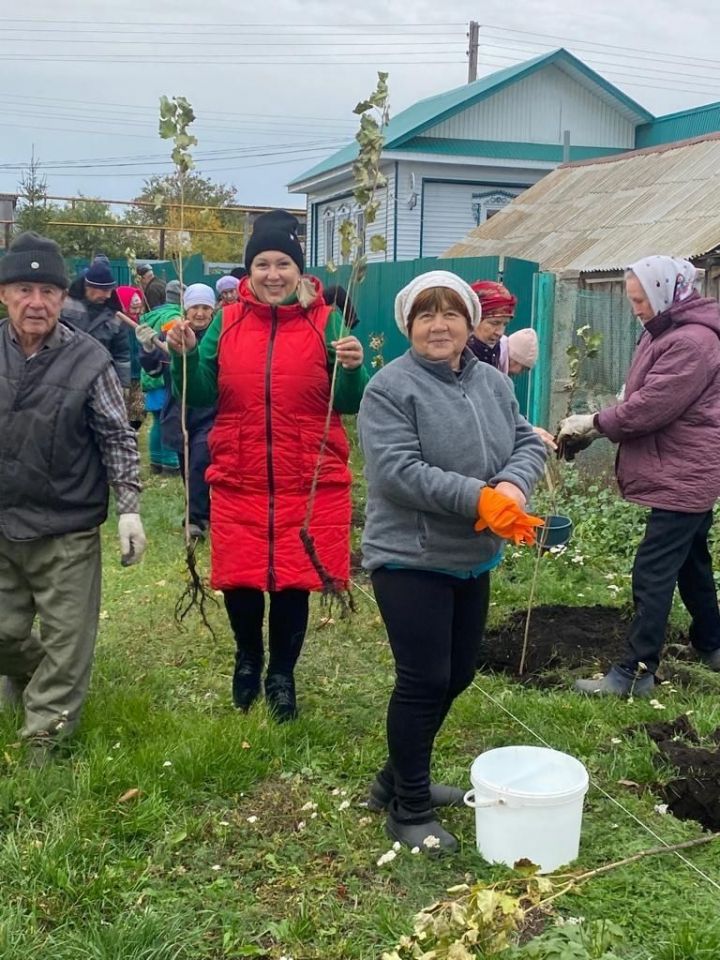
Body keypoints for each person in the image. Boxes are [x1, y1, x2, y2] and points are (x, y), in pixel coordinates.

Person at [357, 270, 545, 852]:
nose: (439, 326)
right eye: (425, 315)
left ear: (469, 322)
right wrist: (478, 497)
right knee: (423, 680)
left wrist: (512, 488)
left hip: (471, 555)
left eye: (451, 314)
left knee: (459, 673)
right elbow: (398, 472)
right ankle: (408, 808)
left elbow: (528, 441)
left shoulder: (492, 381)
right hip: (410, 556)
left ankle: (395, 778)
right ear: (409, 324)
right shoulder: (389, 388)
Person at [165, 210, 369, 721]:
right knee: (240, 578)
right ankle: (247, 658)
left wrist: (352, 367)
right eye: (262, 264)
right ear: (249, 271)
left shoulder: (327, 319)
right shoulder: (227, 323)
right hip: (241, 472)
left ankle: (282, 674)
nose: (273, 274)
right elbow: (203, 391)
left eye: (283, 264)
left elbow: (345, 400)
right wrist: (186, 357)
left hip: (309, 473)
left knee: (294, 581)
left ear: (299, 270)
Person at [0, 232, 146, 758]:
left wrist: (129, 509)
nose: (35, 302)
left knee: (67, 641)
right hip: (2, 519)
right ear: (4, 294)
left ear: (64, 298)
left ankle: (45, 735)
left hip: (66, 524)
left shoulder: (89, 360)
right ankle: (30, 676)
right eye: (23, 289)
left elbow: (115, 434)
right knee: (3, 634)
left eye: (48, 291)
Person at [558, 256, 720, 696]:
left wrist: (594, 423)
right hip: (683, 466)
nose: (636, 308)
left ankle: (636, 672)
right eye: (632, 300)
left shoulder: (692, 343)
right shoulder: (665, 331)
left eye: (641, 299)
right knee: (691, 562)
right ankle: (713, 644)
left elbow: (650, 408)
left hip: (684, 471)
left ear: (668, 292)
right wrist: (601, 424)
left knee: (653, 570)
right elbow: (640, 396)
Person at [137, 284, 217, 538]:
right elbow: (153, 371)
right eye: (195, 307)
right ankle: (201, 510)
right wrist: (149, 348)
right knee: (187, 465)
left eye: (206, 308)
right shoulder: (172, 334)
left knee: (200, 462)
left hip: (209, 413)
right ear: (186, 309)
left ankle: (196, 519)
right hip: (179, 411)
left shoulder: (217, 338)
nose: (200, 313)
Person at [61, 261, 131, 388]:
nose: (108, 295)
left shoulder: (116, 316)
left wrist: (123, 385)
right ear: (89, 287)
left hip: (99, 382)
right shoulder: (65, 304)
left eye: (110, 290)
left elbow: (122, 354)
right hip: (65, 377)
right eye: (104, 290)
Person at [139, 280, 183, 475]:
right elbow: (170, 345)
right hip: (163, 373)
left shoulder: (153, 314)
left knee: (158, 419)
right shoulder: (174, 317)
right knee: (168, 418)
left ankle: (156, 460)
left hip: (150, 372)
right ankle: (170, 462)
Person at [467, 279, 516, 371]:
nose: (500, 332)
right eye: (495, 323)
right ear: (474, 318)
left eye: (504, 324)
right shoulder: (453, 357)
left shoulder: (497, 352)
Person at [116, 285, 146, 430]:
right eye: (132, 309)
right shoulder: (117, 324)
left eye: (138, 308)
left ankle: (134, 430)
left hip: (139, 371)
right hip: (122, 374)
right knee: (122, 406)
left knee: (139, 408)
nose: (136, 312)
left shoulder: (142, 322)